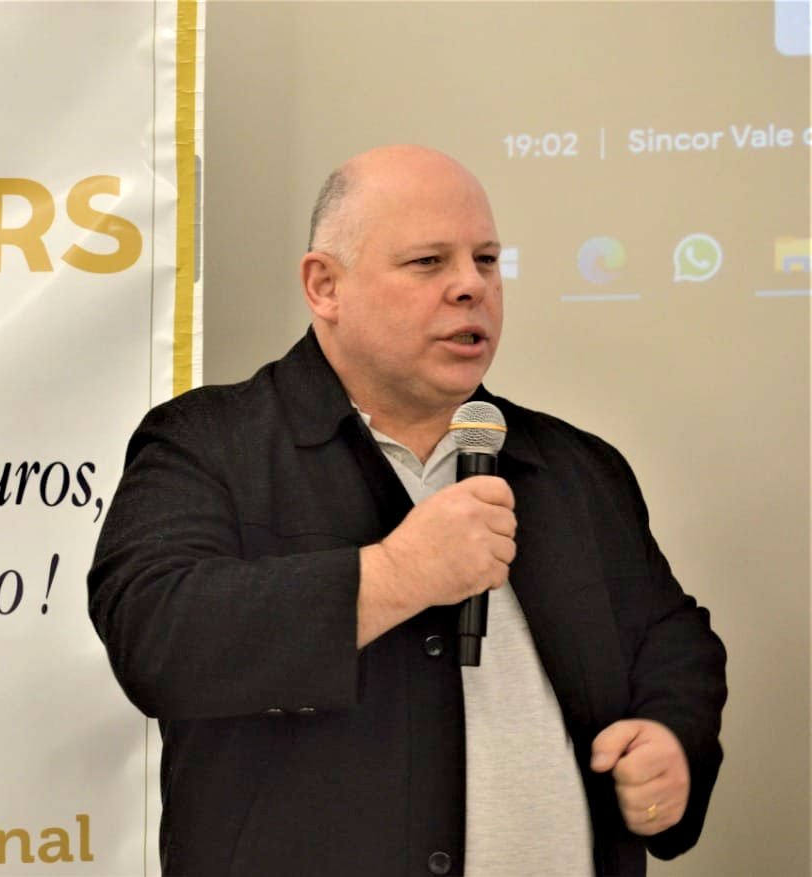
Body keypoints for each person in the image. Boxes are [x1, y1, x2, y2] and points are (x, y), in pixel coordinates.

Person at [87, 145, 726, 876]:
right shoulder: (209, 442)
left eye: (486, 261)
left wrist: (671, 735)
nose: (471, 287)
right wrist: (395, 574)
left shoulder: (577, 466)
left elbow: (672, 639)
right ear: (325, 285)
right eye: (429, 262)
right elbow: (154, 637)